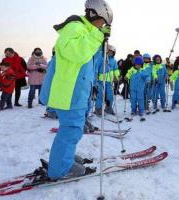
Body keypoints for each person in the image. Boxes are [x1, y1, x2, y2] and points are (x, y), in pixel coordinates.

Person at [39, 0, 113, 180]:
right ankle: (60, 169)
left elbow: (86, 58)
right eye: (103, 23)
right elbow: (75, 52)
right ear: (95, 15)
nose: (102, 27)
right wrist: (97, 37)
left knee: (73, 128)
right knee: (71, 129)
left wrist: (101, 44)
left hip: (75, 91)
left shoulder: (85, 31)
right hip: (69, 92)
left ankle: (65, 158)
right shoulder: (75, 26)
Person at [94, 44, 120, 116]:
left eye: (112, 52)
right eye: (109, 51)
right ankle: (98, 109)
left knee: (110, 95)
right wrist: (95, 77)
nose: (110, 53)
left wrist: (117, 76)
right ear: (106, 51)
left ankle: (109, 108)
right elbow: (96, 68)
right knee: (100, 95)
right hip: (101, 81)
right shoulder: (101, 58)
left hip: (110, 81)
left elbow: (115, 69)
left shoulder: (114, 61)